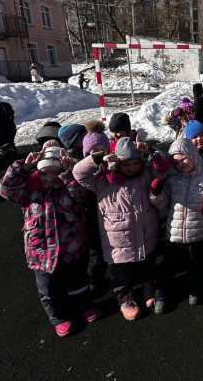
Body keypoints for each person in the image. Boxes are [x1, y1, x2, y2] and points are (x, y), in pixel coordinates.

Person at [0, 146, 100, 337]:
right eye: (44, 173)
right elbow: (6, 190)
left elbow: (82, 196)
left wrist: (68, 174)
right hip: (41, 250)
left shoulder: (68, 188)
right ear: (37, 172)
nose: (50, 178)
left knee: (78, 280)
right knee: (49, 287)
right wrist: (22, 167)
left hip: (72, 247)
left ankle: (84, 306)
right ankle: (59, 317)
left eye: (56, 172)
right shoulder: (28, 192)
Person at [73, 137, 171, 321]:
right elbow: (78, 173)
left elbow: (164, 168)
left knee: (146, 263)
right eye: (127, 165)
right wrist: (97, 159)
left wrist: (149, 150)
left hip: (145, 234)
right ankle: (124, 297)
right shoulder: (104, 182)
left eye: (136, 163)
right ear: (118, 163)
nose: (132, 168)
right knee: (121, 272)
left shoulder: (146, 174)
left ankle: (146, 284)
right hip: (118, 240)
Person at [151, 138, 203, 313]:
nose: (180, 164)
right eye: (175, 162)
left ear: (193, 155)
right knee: (168, 267)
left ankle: (196, 292)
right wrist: (155, 194)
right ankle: (161, 296)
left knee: (197, 266)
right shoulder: (173, 180)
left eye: (183, 159)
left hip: (199, 233)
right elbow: (163, 204)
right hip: (175, 233)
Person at [80, 120, 111, 295]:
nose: (99, 153)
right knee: (96, 254)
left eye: (103, 149)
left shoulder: (113, 168)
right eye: (93, 151)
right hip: (91, 217)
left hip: (111, 216)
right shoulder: (84, 171)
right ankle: (95, 281)